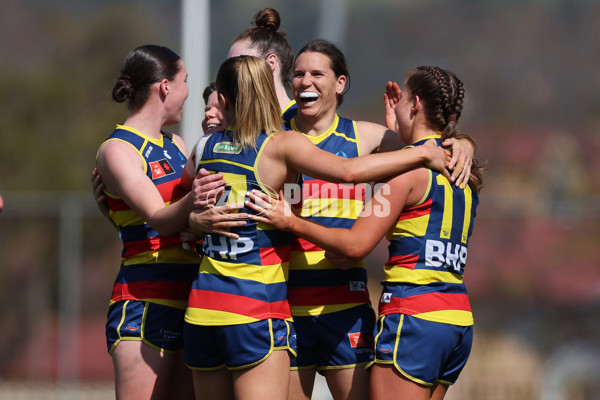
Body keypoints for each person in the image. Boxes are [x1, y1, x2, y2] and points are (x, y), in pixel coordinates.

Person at [182, 55, 453, 400]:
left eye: (316, 73)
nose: (306, 81)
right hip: (273, 308)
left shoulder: (362, 135)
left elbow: (428, 145)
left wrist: (190, 217)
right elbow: (352, 172)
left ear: (340, 83)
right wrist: (424, 153)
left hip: (331, 304)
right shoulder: (280, 140)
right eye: (298, 74)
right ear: (278, 89)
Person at [246, 65, 484, 400]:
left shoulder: (407, 170)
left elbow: (356, 245)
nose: (394, 104)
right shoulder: (463, 170)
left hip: (414, 317)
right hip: (456, 319)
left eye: (401, 98)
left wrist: (291, 222)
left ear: (415, 105)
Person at [95, 44, 206, 400]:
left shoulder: (175, 143)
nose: (189, 91)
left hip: (193, 299)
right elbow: (159, 218)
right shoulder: (117, 150)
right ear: (166, 87)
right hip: (145, 303)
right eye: (185, 80)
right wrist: (197, 197)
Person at [227, 7, 297, 121]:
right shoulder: (235, 125)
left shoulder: (303, 121)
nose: (230, 74)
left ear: (271, 63)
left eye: (241, 64)